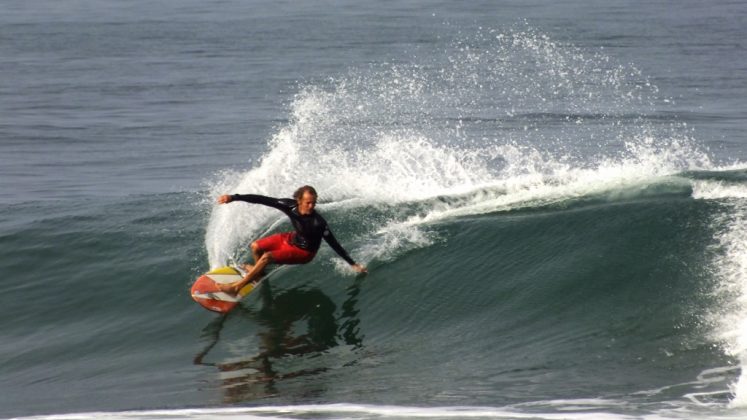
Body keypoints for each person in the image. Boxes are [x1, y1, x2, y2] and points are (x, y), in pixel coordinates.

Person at [215, 185, 367, 295]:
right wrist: (234, 197)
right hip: (291, 238)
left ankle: (237, 287)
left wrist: (353, 264)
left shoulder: (318, 223)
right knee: (255, 247)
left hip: (304, 252)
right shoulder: (289, 205)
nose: (311, 206)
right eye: (308, 202)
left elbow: (334, 243)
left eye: (314, 202)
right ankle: (259, 274)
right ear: (299, 200)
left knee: (267, 257)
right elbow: (262, 199)